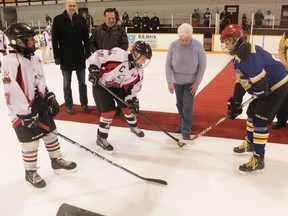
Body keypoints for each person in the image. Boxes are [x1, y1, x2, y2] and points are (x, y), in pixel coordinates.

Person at [2, 23, 77, 189]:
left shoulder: (34, 57)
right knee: (30, 143)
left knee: (51, 133)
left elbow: (40, 79)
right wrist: (24, 113)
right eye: (27, 40)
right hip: (21, 109)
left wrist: (48, 96)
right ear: (17, 41)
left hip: (39, 103)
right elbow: (11, 90)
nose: (32, 43)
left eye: (31, 39)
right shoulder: (10, 61)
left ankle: (56, 160)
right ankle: (30, 172)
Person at [220, 24, 288, 173]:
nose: (225, 45)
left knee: (259, 121)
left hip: (277, 87)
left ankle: (258, 158)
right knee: (251, 113)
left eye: (227, 41)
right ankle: (250, 143)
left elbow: (260, 80)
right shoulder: (239, 55)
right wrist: (236, 102)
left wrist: (259, 91)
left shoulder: (247, 54)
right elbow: (241, 80)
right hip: (266, 86)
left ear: (235, 39)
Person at [86, 41, 152, 154]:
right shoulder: (119, 56)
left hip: (117, 87)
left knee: (128, 107)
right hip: (102, 85)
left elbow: (134, 87)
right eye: (143, 58)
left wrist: (132, 99)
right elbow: (98, 54)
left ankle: (133, 127)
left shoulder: (139, 71)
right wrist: (93, 68)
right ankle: (101, 138)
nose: (144, 61)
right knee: (109, 111)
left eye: (146, 59)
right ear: (136, 53)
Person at [165, 23, 207, 140]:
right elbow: (168, 65)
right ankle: (183, 123)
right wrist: (169, 82)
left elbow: (203, 65)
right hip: (177, 81)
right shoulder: (173, 45)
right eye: (182, 40)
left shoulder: (197, 46)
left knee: (187, 105)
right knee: (180, 104)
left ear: (191, 36)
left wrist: (197, 82)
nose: (184, 42)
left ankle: (186, 129)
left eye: (186, 40)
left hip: (191, 82)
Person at [52, 0, 91, 115]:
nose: (72, 7)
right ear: (65, 6)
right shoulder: (58, 19)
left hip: (79, 56)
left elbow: (86, 39)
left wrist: (87, 53)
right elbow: (55, 40)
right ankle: (69, 105)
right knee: (66, 84)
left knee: (82, 83)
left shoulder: (81, 19)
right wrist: (57, 56)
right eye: (70, 5)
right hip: (65, 57)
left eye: (74, 5)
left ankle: (84, 104)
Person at [89, 7, 128, 117]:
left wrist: (116, 55)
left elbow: (125, 45)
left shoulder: (120, 30)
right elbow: (91, 44)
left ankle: (119, 107)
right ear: (104, 18)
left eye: (113, 18)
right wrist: (97, 54)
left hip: (116, 66)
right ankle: (101, 108)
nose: (111, 20)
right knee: (98, 85)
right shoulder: (97, 30)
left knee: (117, 87)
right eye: (109, 18)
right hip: (100, 65)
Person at [272, 31, 288, 129]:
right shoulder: (286, 34)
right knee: (284, 96)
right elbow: (281, 50)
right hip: (287, 70)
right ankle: (281, 120)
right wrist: (285, 64)